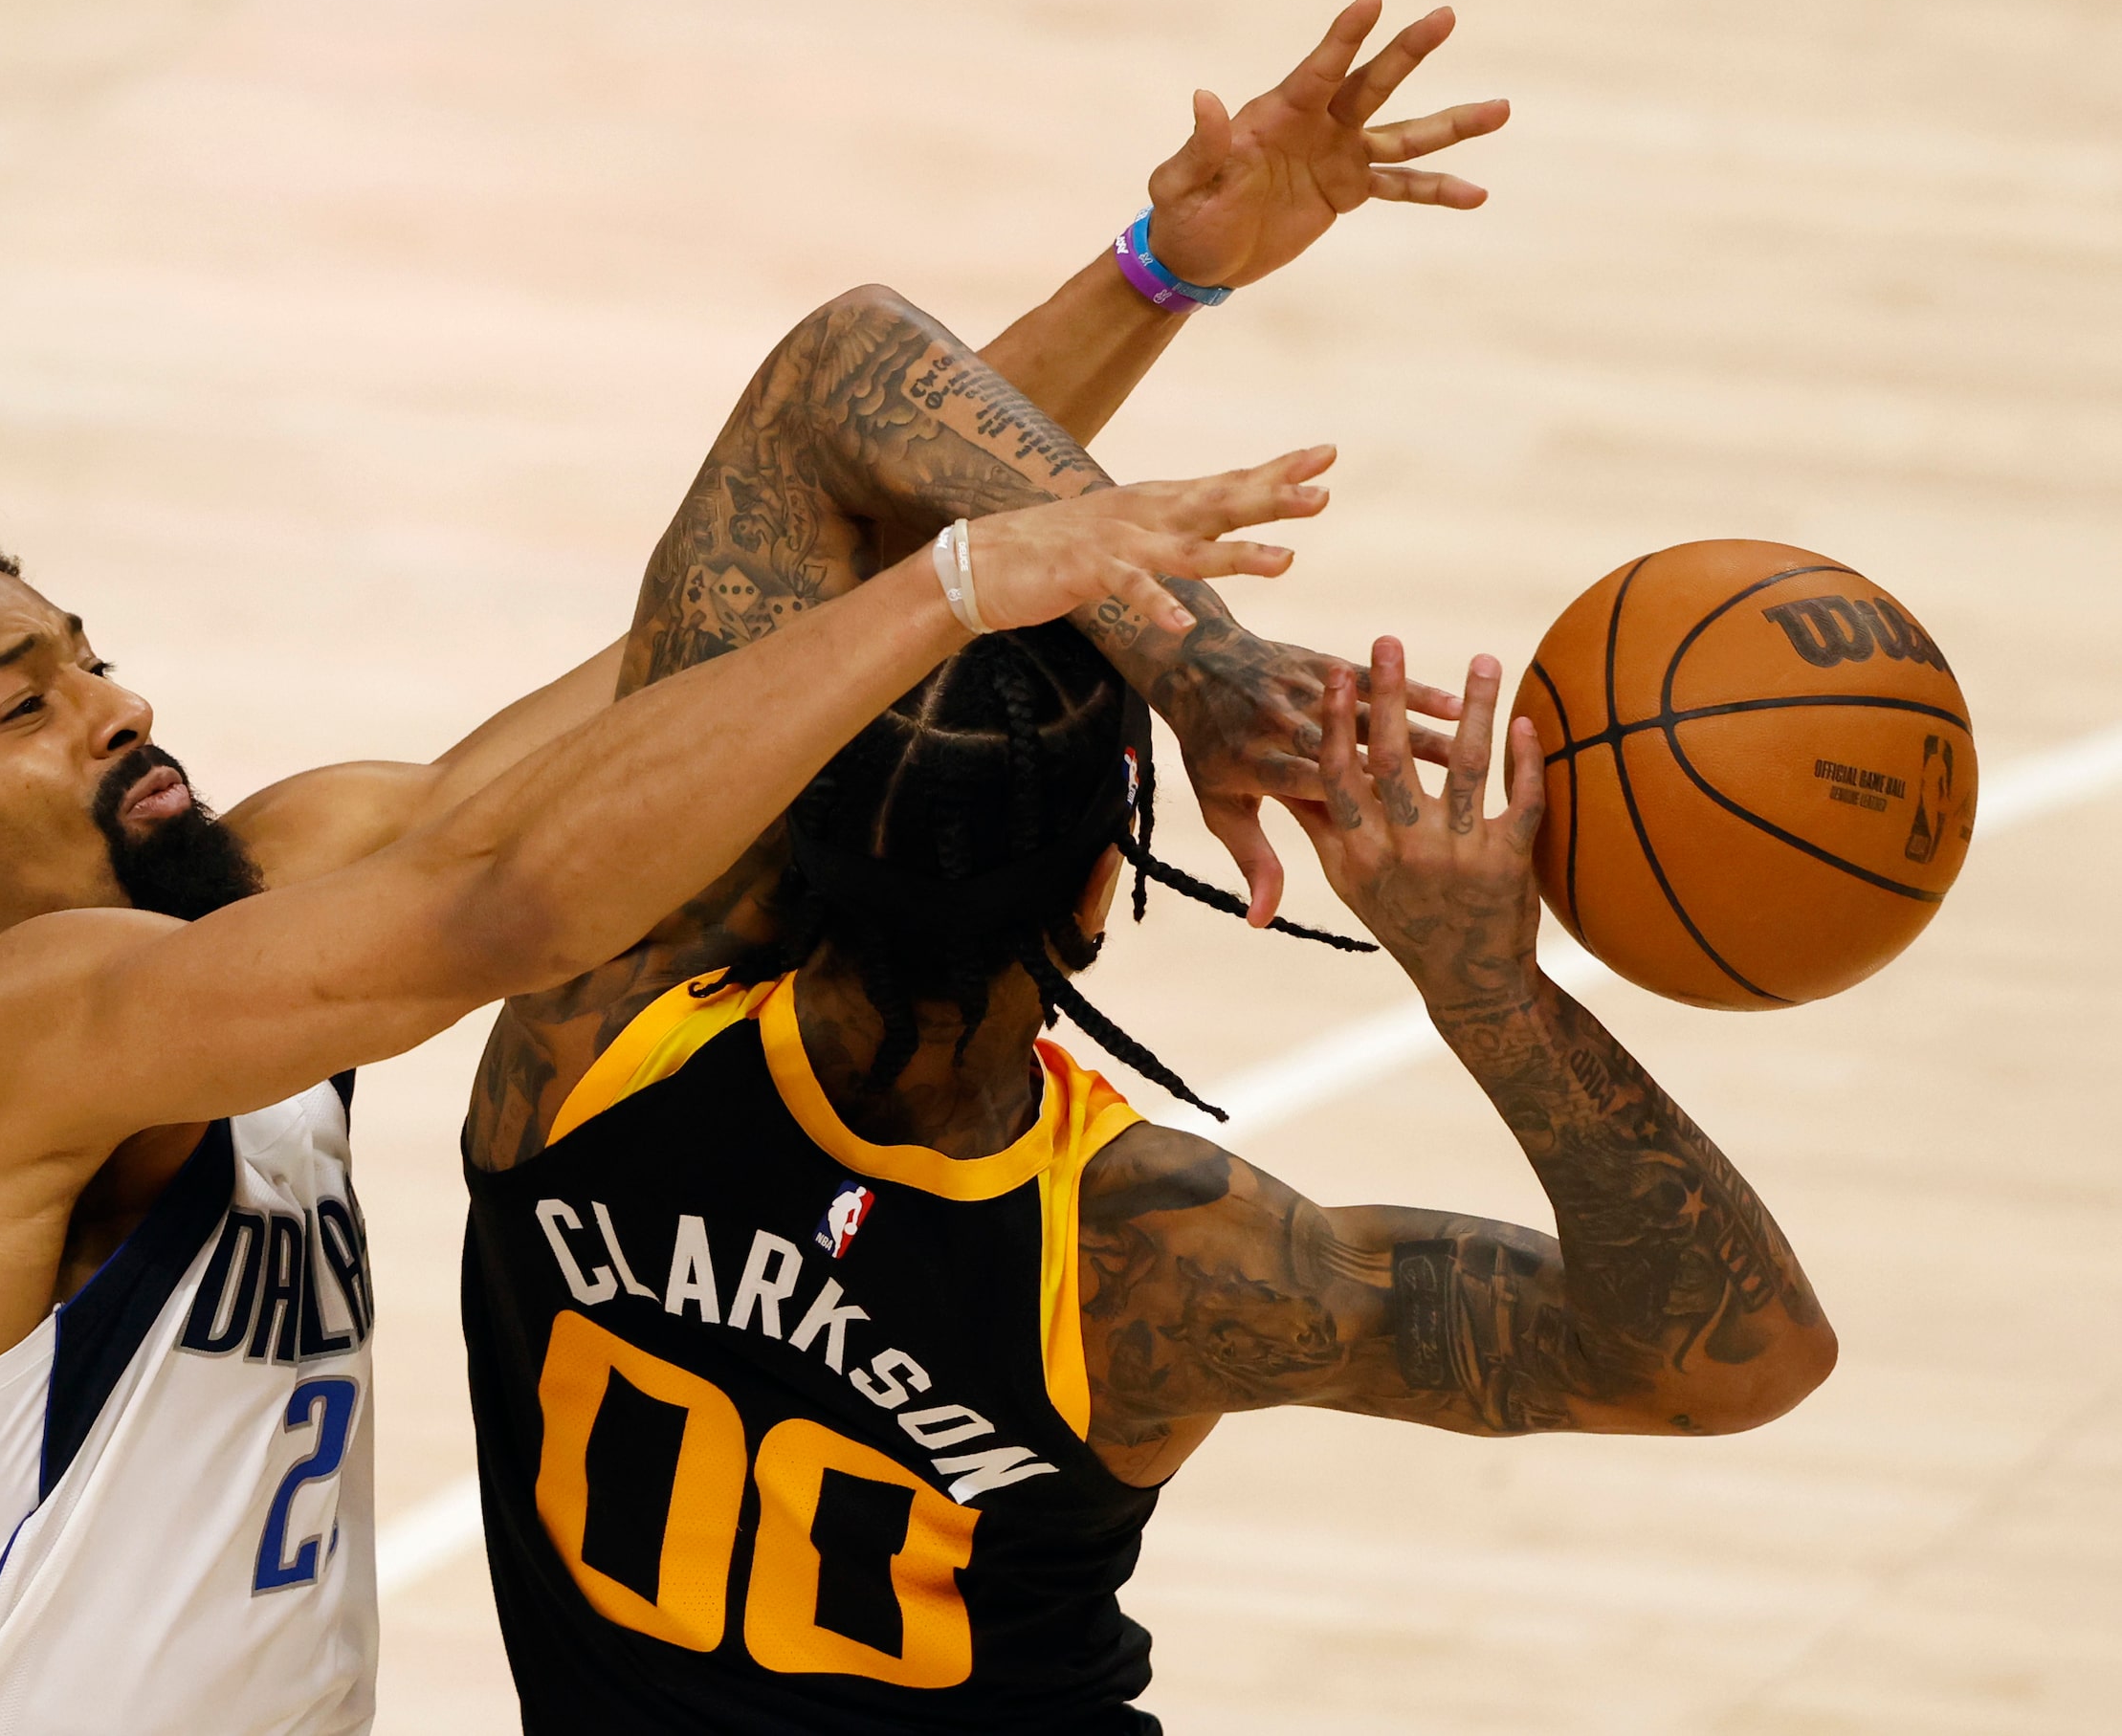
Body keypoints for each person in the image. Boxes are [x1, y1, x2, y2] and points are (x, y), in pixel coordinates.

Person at [0, 349, 1298, 1730]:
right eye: (23, 705)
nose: (117, 706)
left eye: (91, 657)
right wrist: (951, 591)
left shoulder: (232, 924)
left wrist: (1160, 270)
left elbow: (729, 615)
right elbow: (504, 903)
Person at [457, 632, 1840, 1734]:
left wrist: (1160, 630)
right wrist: (1488, 992)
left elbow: (832, 394)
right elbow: (1736, 1361)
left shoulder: (584, 1022)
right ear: (1103, 879)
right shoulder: (1152, 1251)